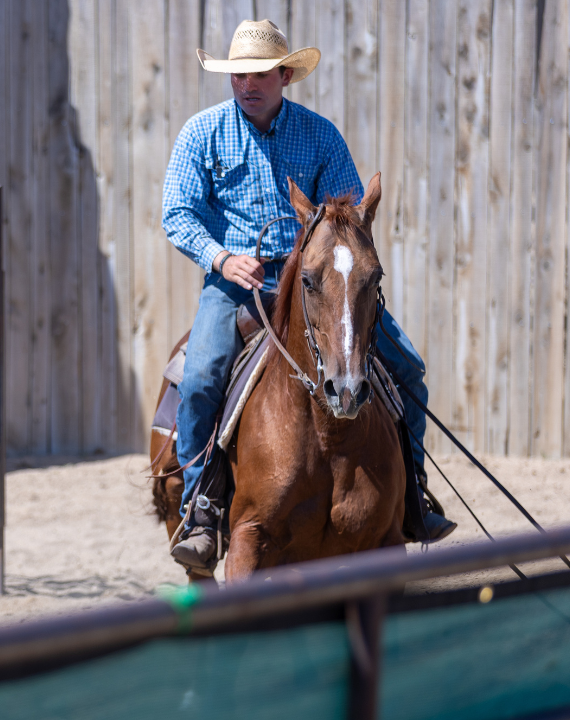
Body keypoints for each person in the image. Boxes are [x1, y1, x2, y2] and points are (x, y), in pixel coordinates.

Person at [162, 19, 455, 573]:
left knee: (409, 368)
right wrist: (222, 257)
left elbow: (348, 217)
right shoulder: (202, 134)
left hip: (318, 285)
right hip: (236, 285)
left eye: (260, 74)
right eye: (238, 74)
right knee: (201, 377)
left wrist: (328, 249)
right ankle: (200, 510)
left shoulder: (320, 136)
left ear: (286, 75)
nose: (247, 84)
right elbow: (176, 213)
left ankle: (412, 492)